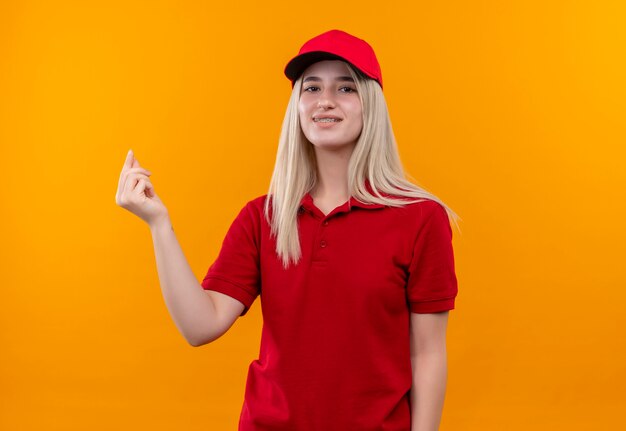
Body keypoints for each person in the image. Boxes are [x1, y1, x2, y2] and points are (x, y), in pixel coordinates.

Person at [116, 29, 460, 431]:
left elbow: (428, 355)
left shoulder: (421, 218)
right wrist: (159, 224)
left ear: (371, 106)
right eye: (311, 87)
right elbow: (200, 326)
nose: (325, 101)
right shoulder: (262, 218)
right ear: (297, 106)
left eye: (345, 88)